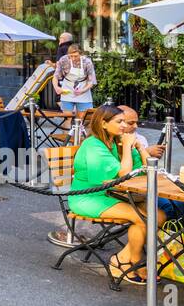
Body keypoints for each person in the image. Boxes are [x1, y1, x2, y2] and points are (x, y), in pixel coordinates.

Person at [69, 104, 164, 283]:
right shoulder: (93, 145)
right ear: (103, 124)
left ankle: (121, 258)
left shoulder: (113, 142)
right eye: (119, 121)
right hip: (88, 197)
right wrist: (128, 147)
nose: (124, 126)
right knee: (143, 218)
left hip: (112, 194)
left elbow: (143, 170)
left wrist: (140, 148)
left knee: (158, 216)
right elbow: (123, 174)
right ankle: (134, 262)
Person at [53, 42, 96, 112]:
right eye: (71, 56)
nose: (73, 58)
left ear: (81, 54)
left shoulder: (87, 62)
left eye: (76, 56)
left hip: (83, 90)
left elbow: (91, 81)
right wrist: (56, 88)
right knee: (67, 118)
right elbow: (56, 76)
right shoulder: (63, 60)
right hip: (67, 90)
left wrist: (82, 90)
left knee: (84, 118)